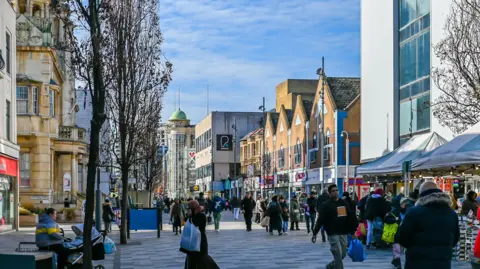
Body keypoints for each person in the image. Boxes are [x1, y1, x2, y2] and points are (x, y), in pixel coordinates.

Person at [397, 181, 460, 269]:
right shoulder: (452, 214)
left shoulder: (413, 212)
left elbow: (402, 238)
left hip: (417, 263)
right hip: (442, 263)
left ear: (421, 195)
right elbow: (455, 239)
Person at [312, 184, 358, 269]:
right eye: (333, 191)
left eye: (336, 190)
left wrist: (353, 231)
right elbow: (320, 220)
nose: (335, 192)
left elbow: (350, 217)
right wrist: (315, 233)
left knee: (343, 254)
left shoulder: (343, 203)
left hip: (343, 232)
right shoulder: (326, 205)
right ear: (329, 194)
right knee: (337, 254)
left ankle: (330, 266)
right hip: (332, 233)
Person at [181, 200, 220, 269]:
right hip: (191, 242)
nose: (188, 210)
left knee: (203, 259)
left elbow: (195, 224)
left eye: (189, 208)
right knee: (191, 259)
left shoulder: (201, 216)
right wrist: (188, 216)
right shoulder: (191, 216)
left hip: (200, 242)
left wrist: (190, 217)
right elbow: (184, 222)